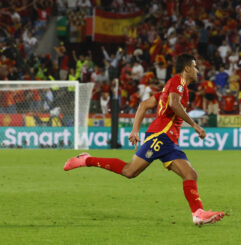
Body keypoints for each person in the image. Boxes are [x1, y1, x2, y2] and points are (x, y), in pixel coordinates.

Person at [63, 54, 224, 226]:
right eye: (195, 66)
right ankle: (86, 160)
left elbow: (144, 105)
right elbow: (174, 105)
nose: (197, 70)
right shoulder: (178, 83)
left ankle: (198, 214)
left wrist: (135, 130)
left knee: (190, 174)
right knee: (129, 171)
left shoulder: (170, 88)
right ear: (187, 68)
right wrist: (195, 125)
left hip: (167, 140)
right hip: (160, 136)